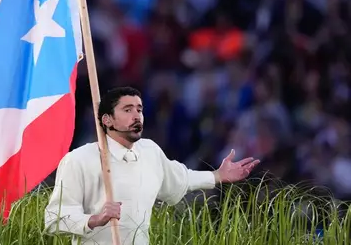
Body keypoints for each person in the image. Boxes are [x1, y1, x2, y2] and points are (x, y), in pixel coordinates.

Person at [44, 87, 260, 244]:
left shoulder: (150, 151)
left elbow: (180, 178)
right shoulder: (79, 159)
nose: (136, 115)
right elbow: (54, 219)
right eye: (127, 110)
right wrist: (94, 219)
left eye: (139, 109)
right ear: (107, 120)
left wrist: (217, 176)